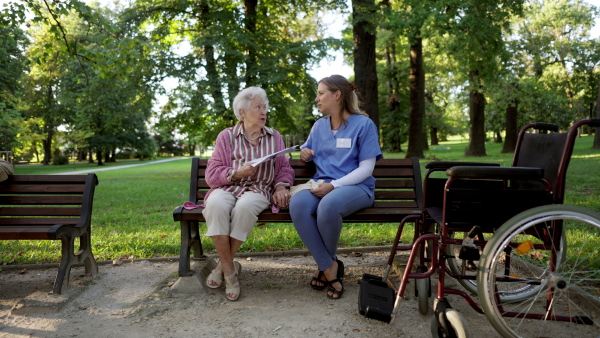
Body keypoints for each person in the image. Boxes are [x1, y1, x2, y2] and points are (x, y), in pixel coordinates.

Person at [289, 75, 382, 300]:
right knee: (298, 204)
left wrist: (334, 185)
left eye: (321, 93)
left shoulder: (364, 124)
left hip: (356, 187)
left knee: (328, 206)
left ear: (337, 95)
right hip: (322, 182)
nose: (317, 98)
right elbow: (311, 153)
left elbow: (366, 169)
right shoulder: (319, 126)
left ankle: (324, 268)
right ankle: (330, 266)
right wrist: (306, 155)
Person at [202, 86, 294, 301]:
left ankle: (223, 268)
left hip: (258, 189)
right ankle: (229, 269)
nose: (264, 112)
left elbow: (284, 168)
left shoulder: (274, 136)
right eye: (258, 107)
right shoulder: (226, 136)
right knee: (214, 205)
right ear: (242, 112)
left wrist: (281, 186)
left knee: (245, 207)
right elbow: (212, 173)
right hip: (228, 186)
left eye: (265, 107)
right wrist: (236, 173)